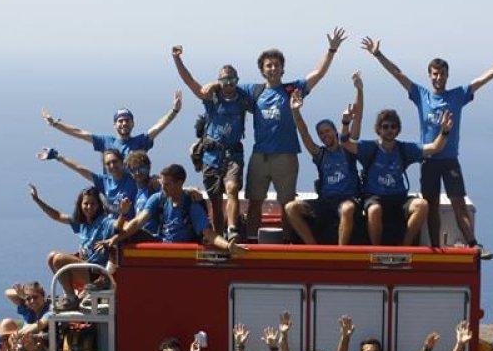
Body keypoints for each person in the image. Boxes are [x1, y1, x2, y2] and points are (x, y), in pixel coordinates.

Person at [361, 36, 493, 253]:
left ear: (447, 75)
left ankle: (473, 243)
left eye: (442, 74)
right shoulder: (422, 95)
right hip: (428, 160)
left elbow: (481, 80)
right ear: (430, 76)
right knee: (432, 206)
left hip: (450, 161)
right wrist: (378, 54)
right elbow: (397, 73)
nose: (438, 78)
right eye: (435, 74)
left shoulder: (457, 96)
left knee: (458, 202)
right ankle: (436, 248)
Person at [228, 29, 345, 239]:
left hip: (286, 157)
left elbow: (317, 74)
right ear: (262, 70)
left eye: (276, 65)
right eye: (268, 65)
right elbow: (225, 84)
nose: (273, 68)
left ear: (282, 68)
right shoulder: (253, 91)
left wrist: (331, 50)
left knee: (287, 204)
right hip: (260, 156)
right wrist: (210, 87)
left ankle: (286, 242)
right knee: (254, 203)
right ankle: (253, 242)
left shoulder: (293, 89)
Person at [339, 107, 454, 246]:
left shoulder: (404, 149)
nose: (389, 129)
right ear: (379, 129)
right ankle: (376, 249)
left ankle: (405, 246)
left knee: (422, 205)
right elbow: (345, 143)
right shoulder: (369, 148)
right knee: (374, 210)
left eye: (393, 126)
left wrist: (445, 131)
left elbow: (435, 148)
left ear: (397, 129)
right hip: (375, 197)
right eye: (385, 126)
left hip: (398, 198)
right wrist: (345, 123)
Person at [172, 46, 252, 240]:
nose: (229, 84)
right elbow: (191, 83)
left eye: (232, 80)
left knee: (232, 188)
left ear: (237, 80)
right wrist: (177, 59)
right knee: (215, 201)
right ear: (219, 81)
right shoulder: (212, 98)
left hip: (233, 153)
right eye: (224, 80)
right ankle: (219, 237)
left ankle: (232, 230)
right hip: (210, 155)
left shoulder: (243, 99)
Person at [286, 75, 362, 246]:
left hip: (347, 200)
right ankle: (313, 248)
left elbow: (357, 119)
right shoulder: (320, 154)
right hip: (325, 202)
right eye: (321, 133)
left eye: (328, 131)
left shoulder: (348, 149)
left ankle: (340, 253)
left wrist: (359, 90)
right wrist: (295, 111)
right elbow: (304, 133)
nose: (324, 135)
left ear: (335, 131)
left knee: (348, 209)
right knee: (291, 208)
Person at [99, 163, 243, 254]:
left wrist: (228, 246)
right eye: (163, 184)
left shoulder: (190, 204)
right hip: (162, 246)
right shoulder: (158, 198)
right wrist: (115, 238)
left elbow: (208, 233)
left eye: (167, 184)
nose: (164, 188)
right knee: (121, 228)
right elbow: (138, 222)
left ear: (179, 183)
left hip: (183, 252)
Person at [28, 184, 117, 312]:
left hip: (98, 274)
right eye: (86, 203)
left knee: (58, 259)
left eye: (93, 203)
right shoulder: (81, 223)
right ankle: (70, 296)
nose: (89, 207)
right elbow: (57, 216)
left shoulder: (105, 222)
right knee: (51, 257)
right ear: (80, 205)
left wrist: (123, 214)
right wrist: (37, 200)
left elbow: (120, 226)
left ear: (99, 205)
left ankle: (72, 299)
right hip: (86, 270)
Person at [41, 94, 182, 159]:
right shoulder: (106, 142)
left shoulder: (140, 141)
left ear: (133, 123)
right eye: (120, 121)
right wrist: (56, 124)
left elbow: (158, 127)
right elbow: (79, 133)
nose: (124, 123)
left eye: (127, 120)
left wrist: (174, 111)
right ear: (114, 125)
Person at [38, 146, 138, 221]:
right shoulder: (103, 181)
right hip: (111, 229)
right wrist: (58, 157)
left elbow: (145, 175)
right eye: (108, 163)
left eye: (114, 161)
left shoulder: (132, 179)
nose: (112, 165)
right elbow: (79, 168)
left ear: (121, 162)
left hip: (130, 229)